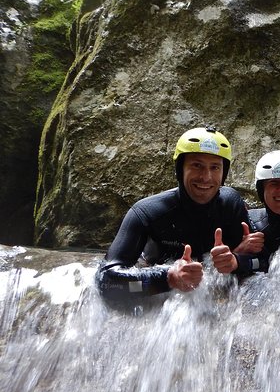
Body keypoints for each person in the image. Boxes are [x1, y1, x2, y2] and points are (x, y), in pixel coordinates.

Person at [96, 126, 255, 300]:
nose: (206, 177)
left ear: (224, 173)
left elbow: (260, 262)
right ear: (180, 169)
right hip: (158, 290)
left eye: (215, 167)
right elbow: (105, 282)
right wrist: (168, 277)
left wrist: (238, 259)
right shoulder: (147, 212)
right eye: (197, 165)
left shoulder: (231, 205)